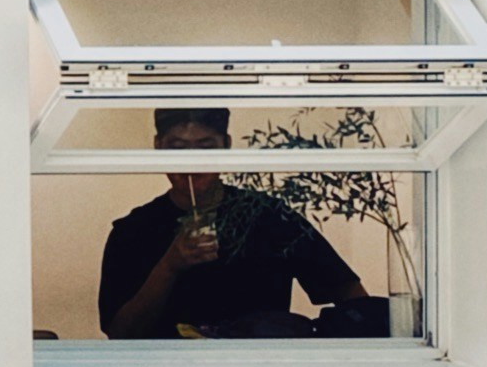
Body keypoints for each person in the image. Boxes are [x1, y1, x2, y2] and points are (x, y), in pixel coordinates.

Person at [98, 105, 376, 342]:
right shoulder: (133, 231)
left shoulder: (269, 217)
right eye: (178, 148)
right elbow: (120, 334)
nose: (192, 162)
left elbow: (351, 295)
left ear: (226, 147)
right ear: (158, 147)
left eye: (206, 148)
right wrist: (169, 266)